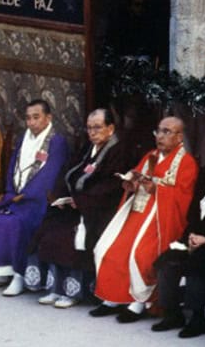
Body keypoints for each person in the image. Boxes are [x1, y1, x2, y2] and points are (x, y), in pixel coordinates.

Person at [91, 116, 198, 323]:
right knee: (107, 248)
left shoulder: (187, 163)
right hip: (137, 213)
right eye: (159, 131)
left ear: (179, 136)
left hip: (162, 219)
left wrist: (157, 189)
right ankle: (113, 298)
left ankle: (138, 302)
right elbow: (137, 178)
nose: (160, 136)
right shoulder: (151, 155)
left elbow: (184, 198)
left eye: (167, 132)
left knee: (139, 255)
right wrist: (131, 184)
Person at [25, 108, 131, 308]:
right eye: (89, 128)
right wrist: (59, 196)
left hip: (99, 210)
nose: (92, 132)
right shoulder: (87, 147)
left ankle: (72, 291)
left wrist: (81, 201)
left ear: (110, 128)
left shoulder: (119, 151)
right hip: (77, 205)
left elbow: (112, 186)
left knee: (69, 237)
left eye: (97, 127)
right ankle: (55, 288)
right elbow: (69, 171)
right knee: (50, 226)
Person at [0, 99, 68, 296]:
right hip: (15, 198)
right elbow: (12, 167)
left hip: (38, 201)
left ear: (48, 118)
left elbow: (50, 174)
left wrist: (26, 195)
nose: (31, 122)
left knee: (16, 223)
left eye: (36, 117)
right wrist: (11, 192)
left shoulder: (56, 141)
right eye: (28, 118)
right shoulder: (24, 138)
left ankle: (19, 276)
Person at [151, 125, 205, 337]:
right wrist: (193, 234)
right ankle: (172, 314)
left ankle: (198, 318)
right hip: (199, 236)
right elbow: (194, 209)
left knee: (198, 261)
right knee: (167, 260)